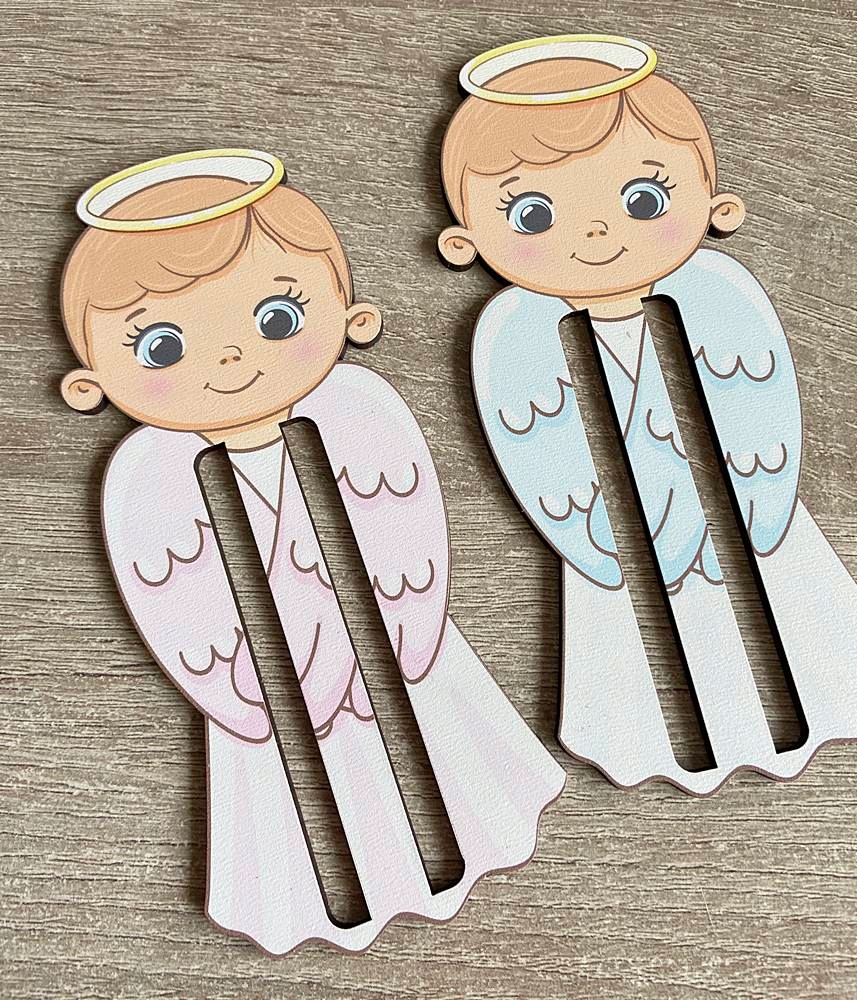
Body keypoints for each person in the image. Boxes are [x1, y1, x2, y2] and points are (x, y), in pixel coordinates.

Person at [60, 149, 564, 953]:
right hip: (259, 692)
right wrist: (240, 703)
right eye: (161, 347)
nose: (231, 359)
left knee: (433, 713)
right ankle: (295, 880)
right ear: (89, 382)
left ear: (352, 318)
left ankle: (476, 815)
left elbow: (409, 553)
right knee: (274, 768)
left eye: (275, 319)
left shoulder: (361, 408)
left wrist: (409, 637)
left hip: (400, 649)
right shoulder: (143, 476)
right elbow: (184, 620)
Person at [438, 36, 857, 795]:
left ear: (717, 202)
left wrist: (760, 510)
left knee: (788, 590)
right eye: (533, 214)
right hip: (612, 547)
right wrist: (592, 549)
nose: (596, 232)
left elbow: (763, 429)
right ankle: (638, 725)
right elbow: (544, 470)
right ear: (463, 242)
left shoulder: (718, 292)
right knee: (620, 620)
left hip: (752, 513)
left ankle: (824, 681)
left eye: (642, 200)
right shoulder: (510, 335)